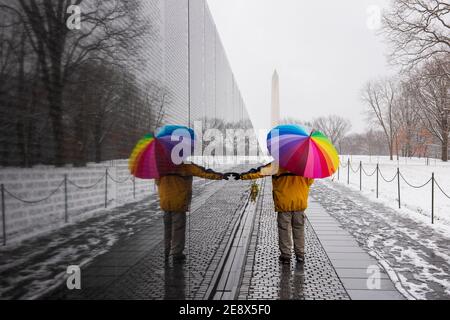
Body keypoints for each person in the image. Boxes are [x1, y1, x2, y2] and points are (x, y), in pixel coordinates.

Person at [229, 163, 314, 264]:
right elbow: (309, 182)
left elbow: (260, 172)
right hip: (299, 203)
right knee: (299, 229)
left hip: (284, 203)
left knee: (284, 230)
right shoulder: (306, 166)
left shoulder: (278, 165)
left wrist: (242, 176)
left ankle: (286, 256)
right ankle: (300, 255)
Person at [156, 162, 223, 262]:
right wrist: (220, 176)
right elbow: (203, 172)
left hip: (165, 202)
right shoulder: (185, 165)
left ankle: (166, 251)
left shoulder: (160, 166)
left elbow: (157, 182)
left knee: (167, 228)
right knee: (178, 228)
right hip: (179, 201)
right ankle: (176, 253)